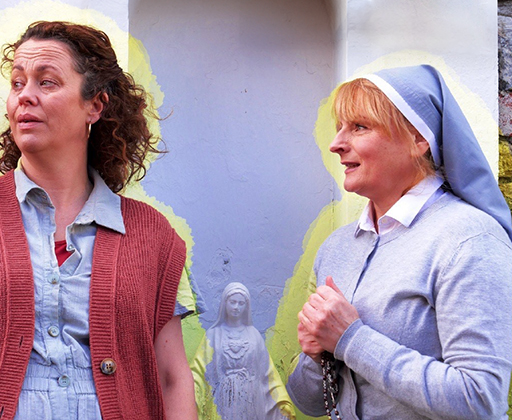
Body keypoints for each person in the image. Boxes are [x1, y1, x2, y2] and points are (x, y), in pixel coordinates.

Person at [0, 21, 203, 420]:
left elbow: (172, 379)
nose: (25, 96)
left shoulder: (154, 238)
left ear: (95, 105)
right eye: (17, 83)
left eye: (46, 82)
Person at [286, 65, 512, 420]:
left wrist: (350, 339)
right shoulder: (336, 248)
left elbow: (479, 400)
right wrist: (316, 356)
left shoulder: (468, 239)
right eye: (340, 127)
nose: (336, 144)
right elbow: (311, 404)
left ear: (419, 139)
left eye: (359, 127)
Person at [193, 282, 295, 420]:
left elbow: (267, 373)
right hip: (222, 401)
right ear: (224, 303)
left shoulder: (254, 335)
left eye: (241, 303)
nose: (236, 307)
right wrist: (190, 395)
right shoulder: (213, 335)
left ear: (246, 306)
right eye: (232, 302)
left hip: (250, 400)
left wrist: (281, 402)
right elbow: (199, 371)